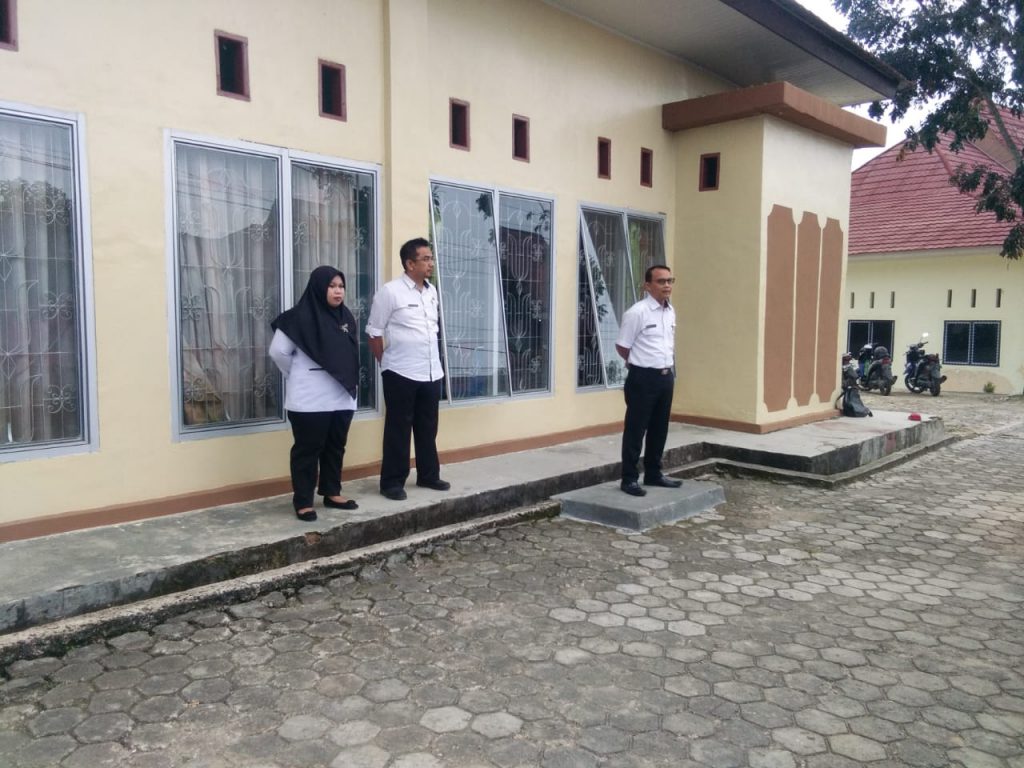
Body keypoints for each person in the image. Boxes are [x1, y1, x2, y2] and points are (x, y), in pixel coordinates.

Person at [269, 266, 360, 522]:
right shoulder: (296, 318)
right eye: (332, 286)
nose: (338, 291)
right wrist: (297, 374)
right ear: (318, 287)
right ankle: (303, 501)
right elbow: (278, 352)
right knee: (307, 451)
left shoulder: (345, 317)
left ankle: (332, 492)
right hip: (309, 399)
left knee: (335, 447)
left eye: (341, 286)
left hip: (341, 396)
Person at [365, 238, 449, 501]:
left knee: (428, 426)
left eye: (431, 258)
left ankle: (428, 475)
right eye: (426, 259)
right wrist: (386, 363)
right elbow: (374, 332)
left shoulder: (432, 292)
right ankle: (392, 482)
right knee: (398, 429)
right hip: (400, 372)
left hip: (431, 371)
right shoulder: (390, 292)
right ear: (410, 264)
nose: (431, 263)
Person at [615, 264, 684, 497]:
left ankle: (653, 473)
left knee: (659, 428)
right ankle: (629, 478)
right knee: (636, 429)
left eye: (670, 281)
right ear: (647, 285)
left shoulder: (670, 311)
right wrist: (638, 363)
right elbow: (622, 346)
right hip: (643, 378)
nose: (667, 285)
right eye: (661, 281)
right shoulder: (637, 312)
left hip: (665, 377)